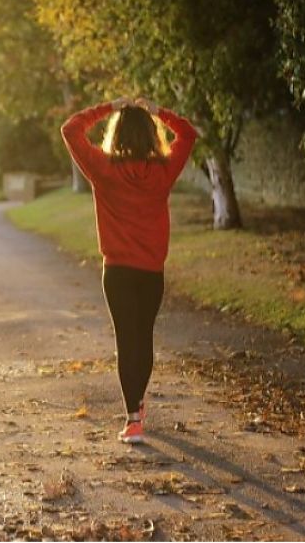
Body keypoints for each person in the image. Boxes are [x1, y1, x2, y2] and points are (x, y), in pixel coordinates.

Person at [61, 96, 198, 444]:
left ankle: (133, 418)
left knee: (127, 340)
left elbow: (71, 129)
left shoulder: (103, 169)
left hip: (118, 272)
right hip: (151, 271)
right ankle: (137, 403)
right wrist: (159, 111)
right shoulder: (163, 171)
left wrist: (108, 107)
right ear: (151, 135)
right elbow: (188, 133)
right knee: (144, 337)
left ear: (116, 134)